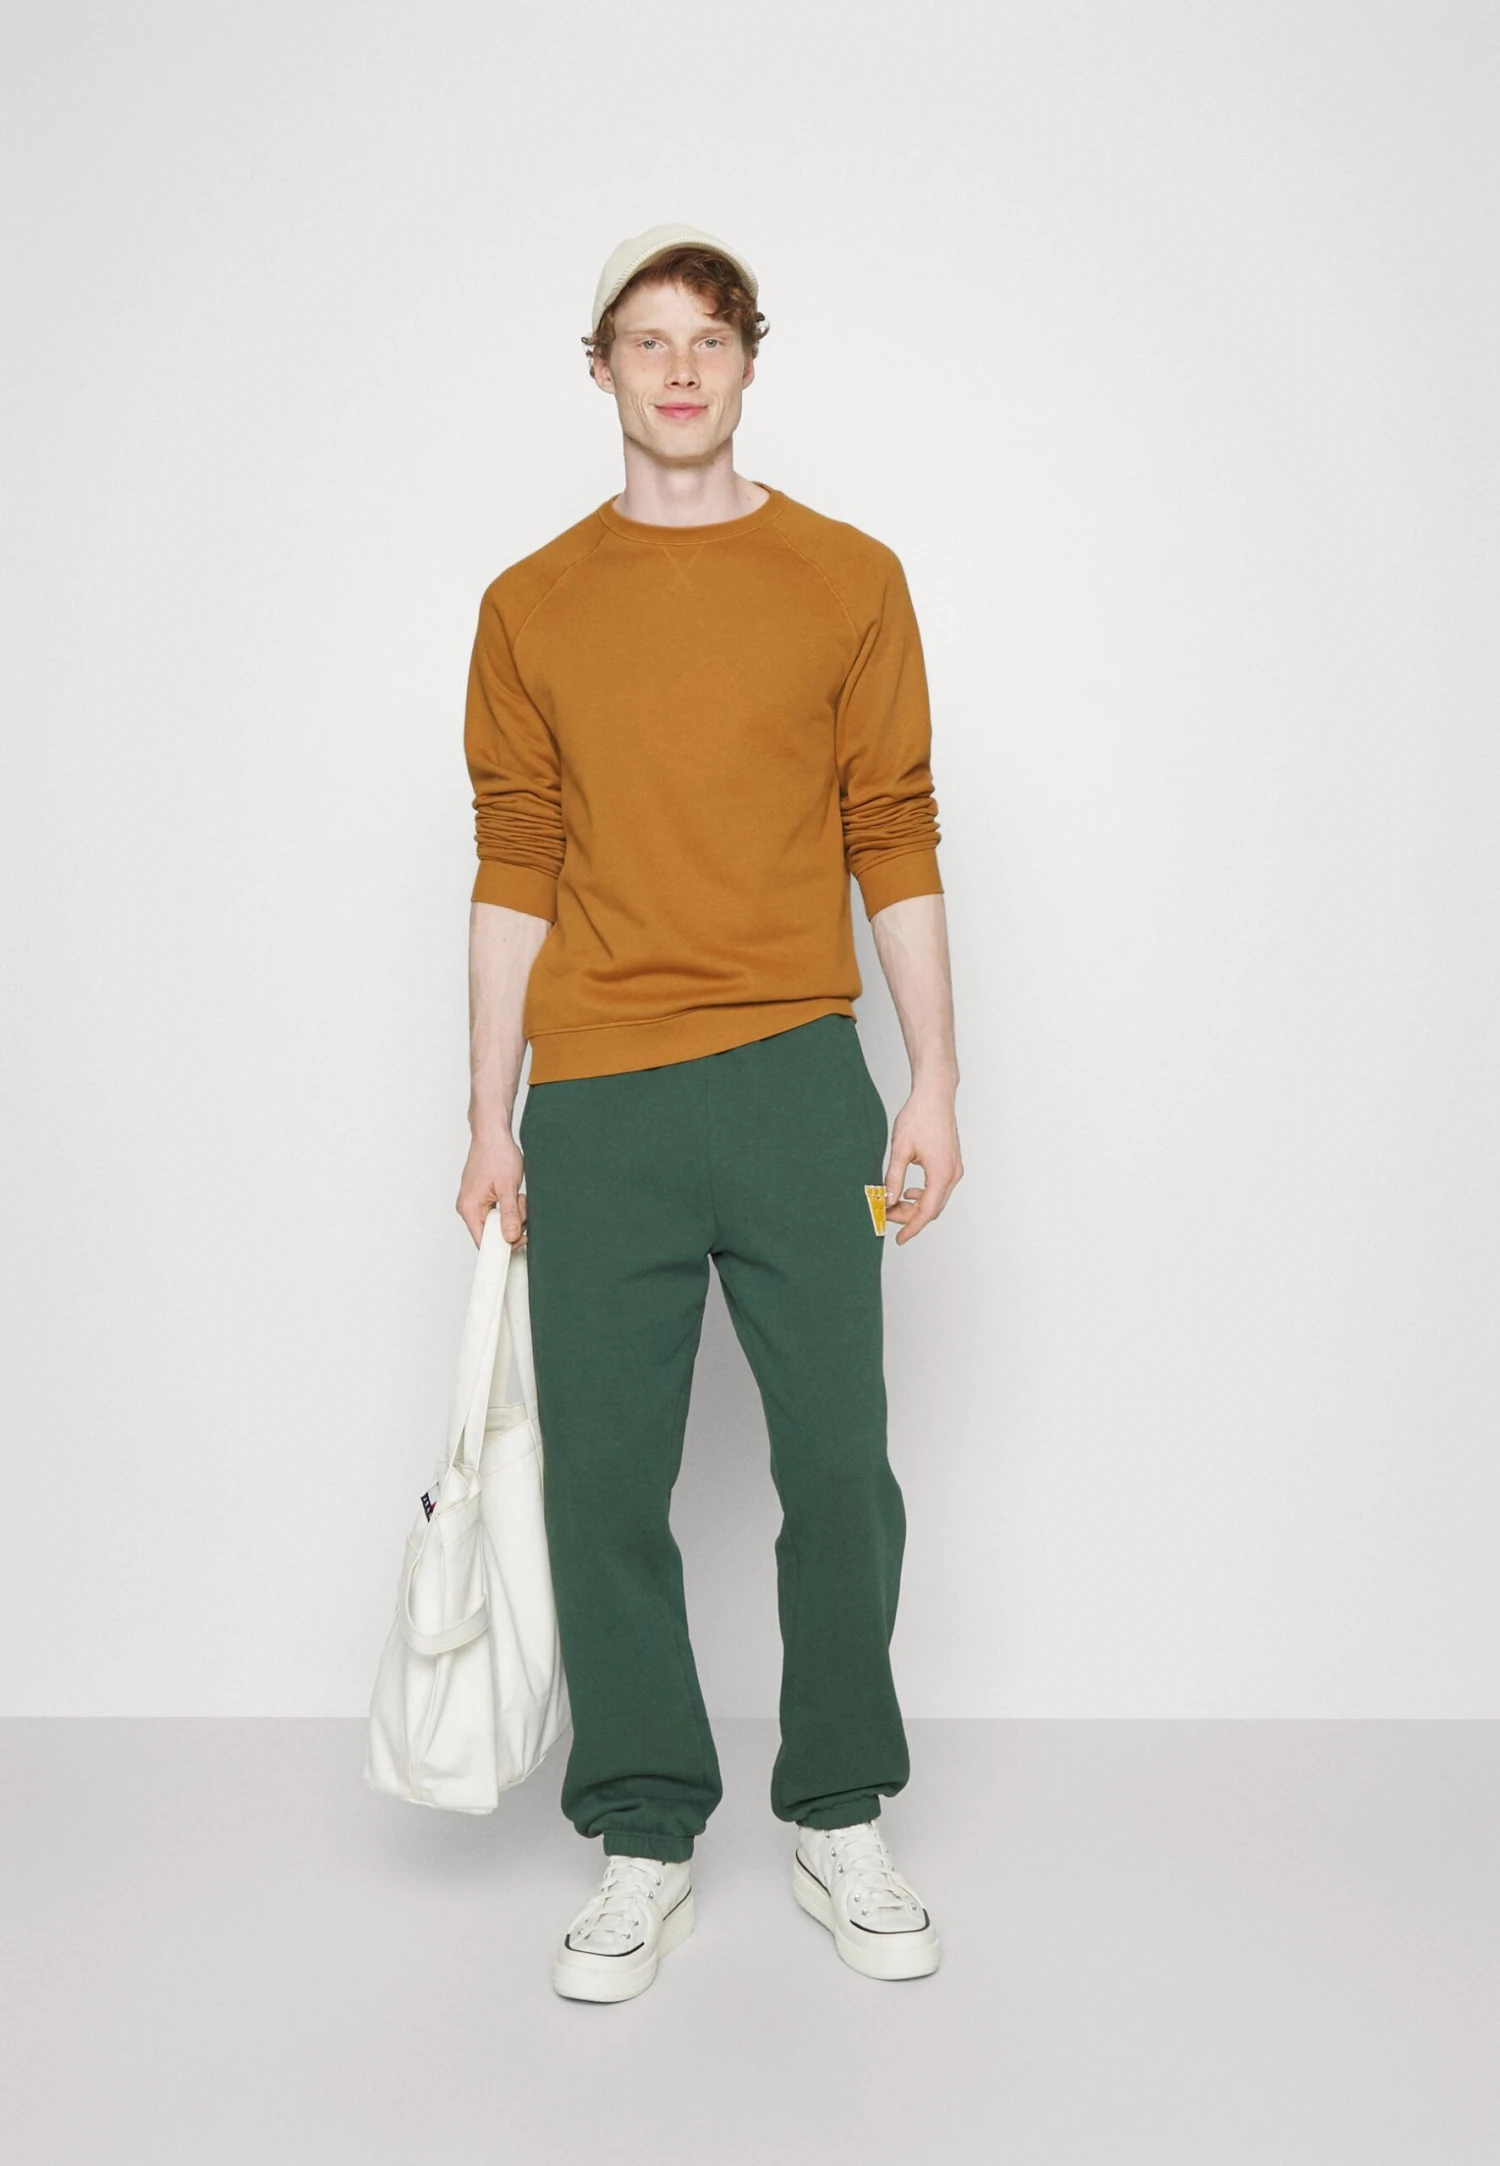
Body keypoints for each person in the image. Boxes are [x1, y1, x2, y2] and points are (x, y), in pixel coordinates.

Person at [456, 223, 963, 2002]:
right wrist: (489, 1112)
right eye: (647, 339)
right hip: (596, 1096)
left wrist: (934, 1074)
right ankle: (645, 1829)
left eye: (712, 338)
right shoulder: (530, 603)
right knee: (606, 1480)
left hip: (797, 1081)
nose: (680, 369)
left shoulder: (849, 577)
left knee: (840, 1466)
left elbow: (892, 828)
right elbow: (514, 859)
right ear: (598, 366)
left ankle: (838, 1809)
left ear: (750, 361)